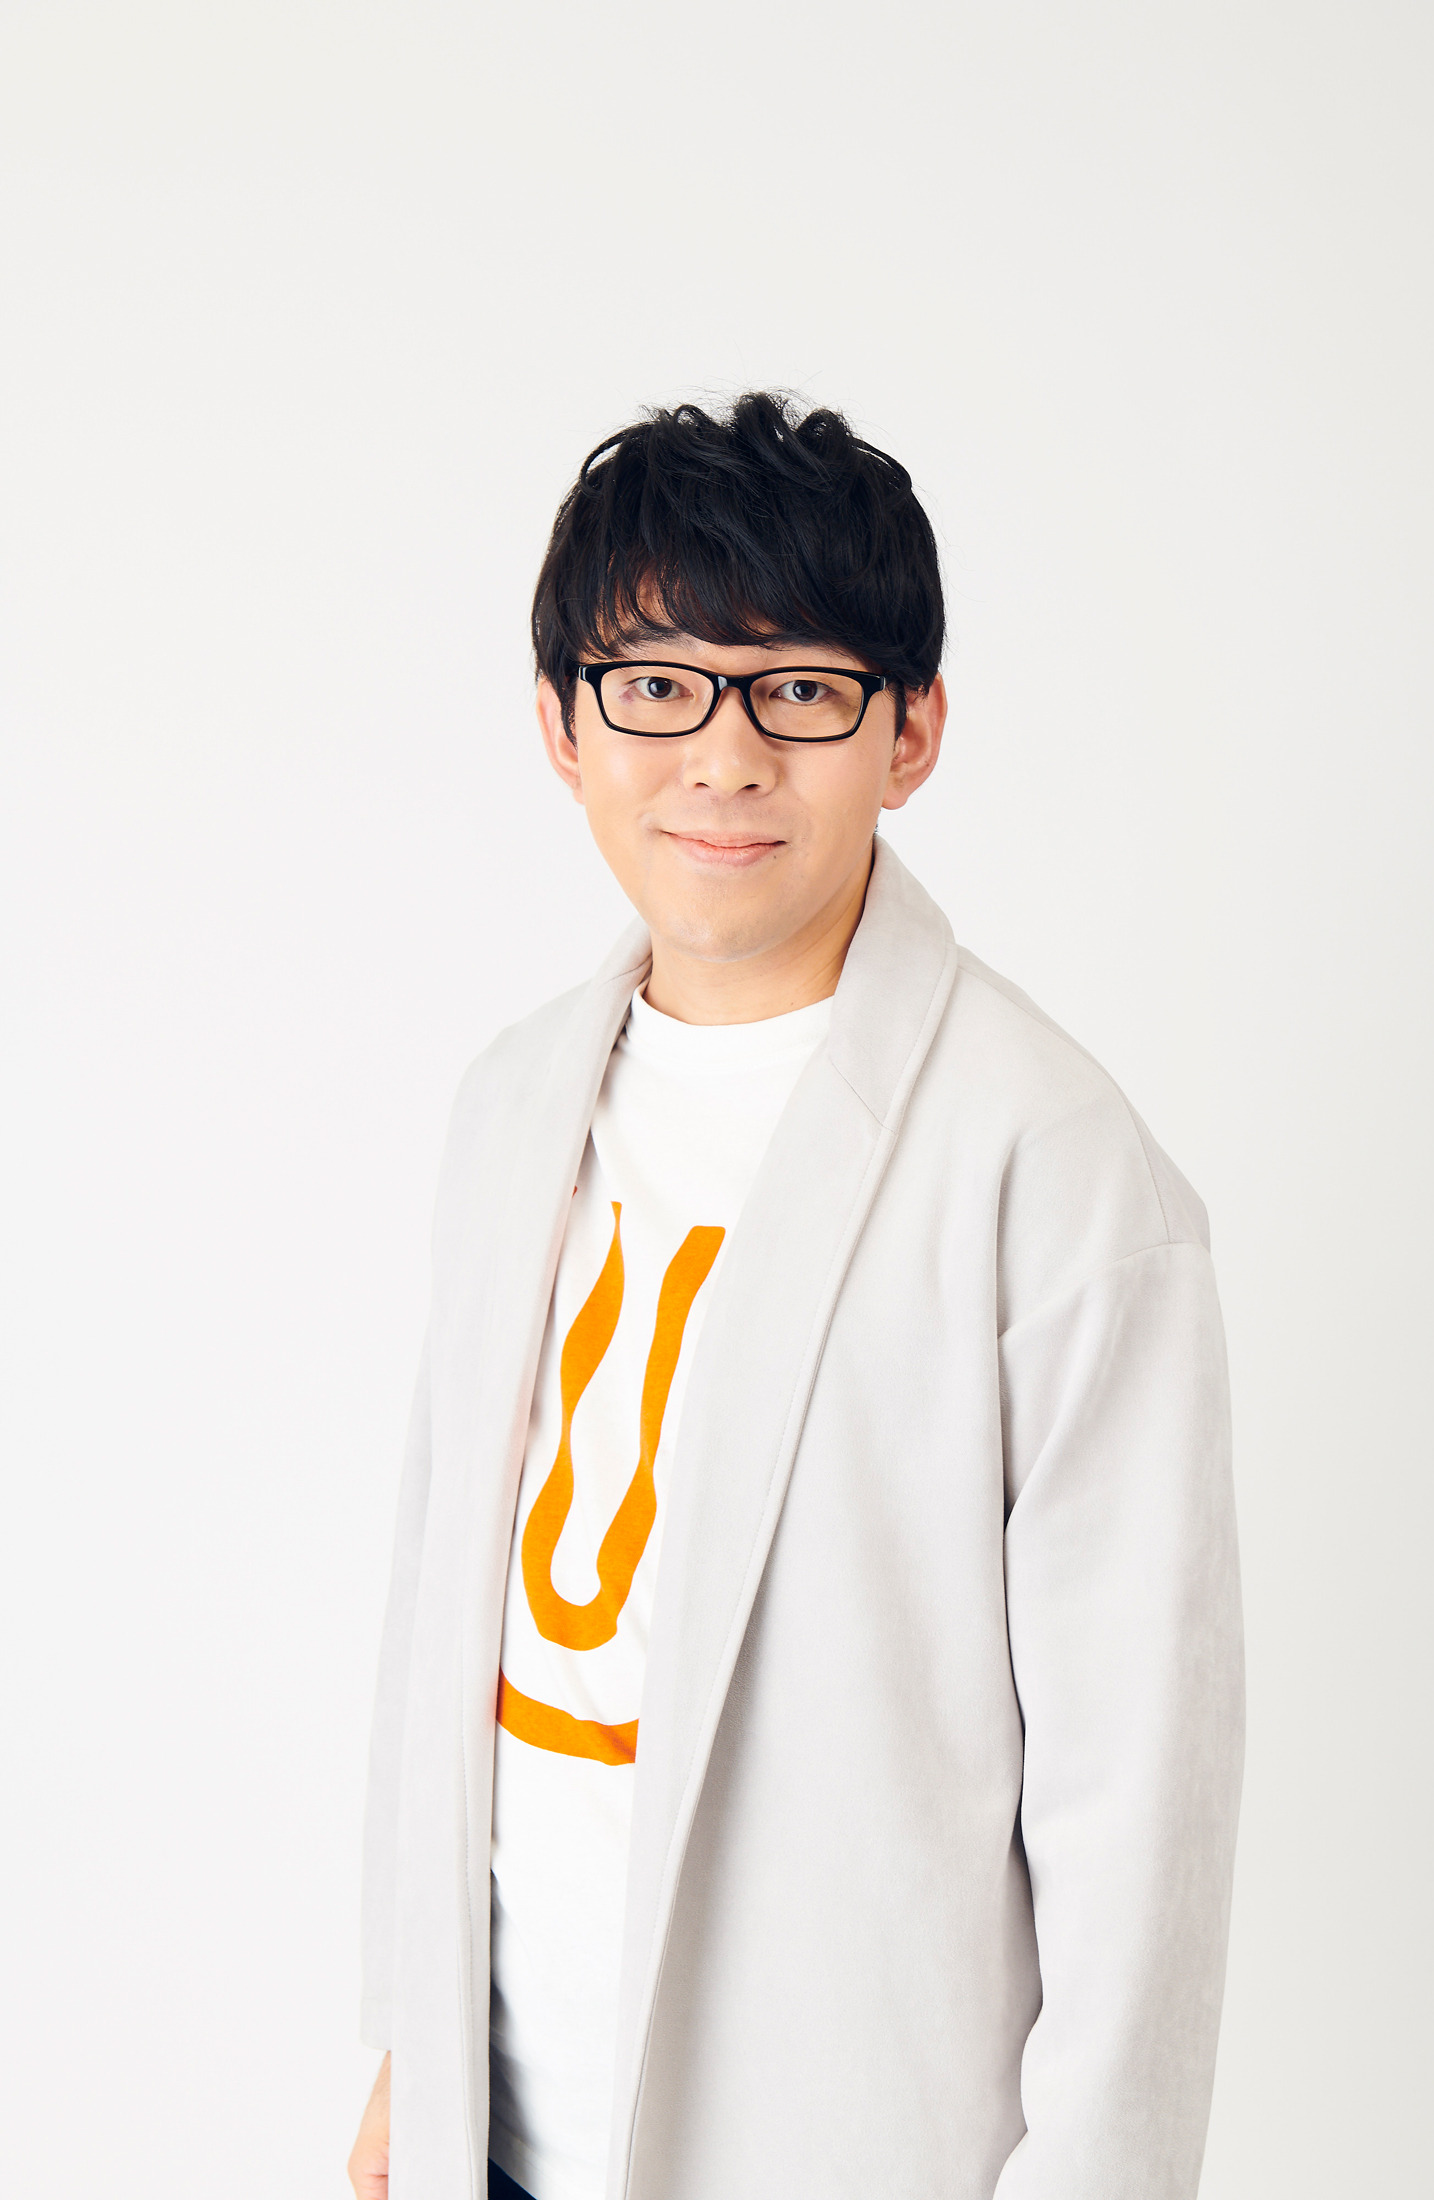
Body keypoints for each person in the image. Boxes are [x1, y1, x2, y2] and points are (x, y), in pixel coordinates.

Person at [346, 392, 1244, 2200]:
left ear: (911, 732)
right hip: (500, 2137)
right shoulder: (513, 1102)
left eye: (802, 691)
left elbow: (1137, 1809)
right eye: (656, 685)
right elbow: (443, 1626)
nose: (725, 756)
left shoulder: (1056, 1167)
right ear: (563, 726)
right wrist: (409, 2056)